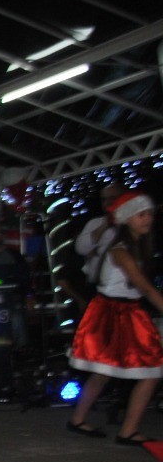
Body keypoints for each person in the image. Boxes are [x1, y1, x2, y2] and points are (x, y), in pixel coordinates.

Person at [66, 191, 163, 446]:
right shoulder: (120, 249)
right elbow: (146, 288)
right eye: (142, 214)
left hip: (127, 311)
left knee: (140, 370)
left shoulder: (137, 247)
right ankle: (115, 428)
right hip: (112, 312)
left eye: (150, 214)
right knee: (124, 371)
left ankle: (119, 428)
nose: (148, 219)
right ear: (128, 218)